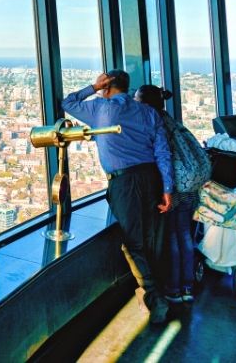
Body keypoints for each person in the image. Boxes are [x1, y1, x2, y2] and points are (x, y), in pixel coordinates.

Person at [63, 70, 173, 324]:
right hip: (152, 177)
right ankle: (161, 291)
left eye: (103, 84)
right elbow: (163, 152)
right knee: (152, 237)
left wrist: (93, 86)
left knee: (134, 242)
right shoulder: (148, 112)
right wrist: (167, 188)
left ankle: (155, 299)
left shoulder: (101, 109)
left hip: (124, 182)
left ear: (107, 85)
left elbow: (68, 103)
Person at [136, 85, 198, 304]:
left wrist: (166, 190)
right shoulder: (171, 120)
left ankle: (173, 288)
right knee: (185, 236)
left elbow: (163, 159)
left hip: (174, 189)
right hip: (189, 187)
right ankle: (187, 287)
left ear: (144, 103)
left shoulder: (153, 122)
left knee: (171, 238)